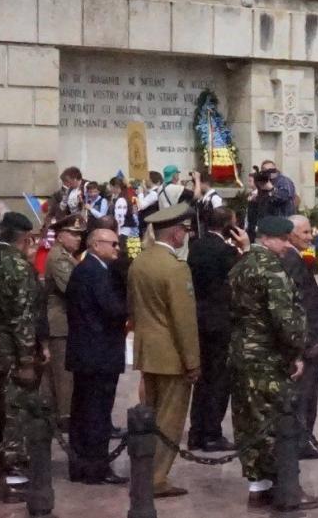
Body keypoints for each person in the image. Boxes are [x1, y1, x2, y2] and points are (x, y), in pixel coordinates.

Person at [229, 216, 318, 510]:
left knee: (249, 421)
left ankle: (258, 487)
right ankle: (287, 488)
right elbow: (286, 320)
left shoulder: (241, 265)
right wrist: (298, 352)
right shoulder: (272, 269)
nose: (285, 245)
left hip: (241, 353)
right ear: (267, 239)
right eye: (282, 240)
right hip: (268, 358)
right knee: (277, 421)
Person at [128, 202, 202, 498]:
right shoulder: (175, 268)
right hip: (172, 355)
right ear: (175, 233)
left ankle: (143, 470)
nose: (187, 235)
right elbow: (184, 320)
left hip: (147, 350)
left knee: (149, 416)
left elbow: (134, 307)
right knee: (169, 421)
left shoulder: (140, 262)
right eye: (185, 230)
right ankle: (156, 478)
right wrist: (192, 361)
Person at [0, 211, 46, 502]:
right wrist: (27, 360)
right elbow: (22, 318)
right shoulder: (19, 267)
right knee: (16, 410)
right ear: (25, 238)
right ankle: (14, 474)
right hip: (11, 351)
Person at [65, 227, 129, 485]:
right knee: (96, 414)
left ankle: (80, 466)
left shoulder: (87, 269)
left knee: (84, 411)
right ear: (95, 245)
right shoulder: (95, 272)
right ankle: (95, 468)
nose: (117, 248)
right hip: (98, 354)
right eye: (112, 244)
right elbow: (113, 309)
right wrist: (130, 307)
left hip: (87, 353)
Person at [188, 207, 246, 452]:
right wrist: (245, 249)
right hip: (221, 322)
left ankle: (196, 432)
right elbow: (243, 278)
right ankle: (212, 433)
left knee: (203, 380)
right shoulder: (226, 251)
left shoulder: (196, 246)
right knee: (219, 380)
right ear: (228, 226)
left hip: (199, 319)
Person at [282, 215, 318, 459]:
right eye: (304, 232)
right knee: (305, 395)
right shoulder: (291, 260)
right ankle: (301, 441)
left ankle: (304, 438)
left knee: (307, 394)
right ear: (290, 234)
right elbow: (299, 304)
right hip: (307, 341)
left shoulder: (294, 257)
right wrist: (307, 341)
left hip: (309, 339)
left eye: (309, 231)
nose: (310, 236)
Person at [42, 214, 86, 428]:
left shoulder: (67, 256)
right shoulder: (59, 258)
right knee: (63, 376)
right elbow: (73, 289)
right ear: (60, 236)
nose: (78, 238)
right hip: (60, 323)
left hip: (65, 322)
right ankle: (65, 417)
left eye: (79, 235)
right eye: (73, 234)